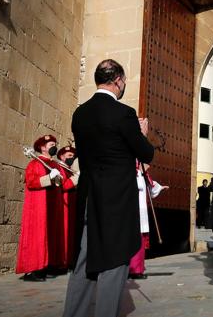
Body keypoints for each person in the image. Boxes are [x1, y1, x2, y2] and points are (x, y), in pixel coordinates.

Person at [63, 59, 154, 317]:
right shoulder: (123, 114)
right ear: (118, 80)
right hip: (116, 200)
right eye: (123, 81)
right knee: (114, 261)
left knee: (84, 259)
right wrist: (141, 133)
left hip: (89, 197)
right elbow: (145, 154)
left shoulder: (80, 113)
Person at [16, 135, 63, 281]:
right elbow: (31, 182)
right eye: (50, 144)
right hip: (38, 206)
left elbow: (62, 184)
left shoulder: (55, 164)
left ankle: (48, 264)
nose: (53, 146)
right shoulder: (35, 163)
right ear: (42, 147)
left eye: (54, 144)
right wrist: (48, 178)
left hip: (53, 205)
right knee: (37, 235)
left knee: (50, 235)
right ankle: (33, 269)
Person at [129, 162, 167, 279]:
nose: (148, 166)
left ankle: (138, 269)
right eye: (145, 163)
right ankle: (132, 269)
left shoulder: (144, 175)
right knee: (133, 240)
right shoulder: (132, 174)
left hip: (143, 211)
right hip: (133, 211)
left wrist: (160, 187)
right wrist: (141, 171)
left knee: (141, 240)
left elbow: (151, 190)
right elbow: (136, 186)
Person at [56, 146, 80, 271]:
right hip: (63, 204)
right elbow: (62, 185)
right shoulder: (59, 168)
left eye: (73, 156)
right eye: (69, 156)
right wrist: (75, 179)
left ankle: (69, 260)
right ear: (61, 156)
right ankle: (63, 261)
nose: (71, 158)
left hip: (72, 204)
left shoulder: (69, 169)